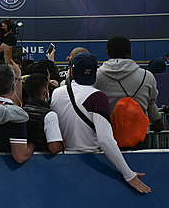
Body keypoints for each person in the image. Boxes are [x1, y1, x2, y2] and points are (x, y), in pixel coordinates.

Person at [50, 53, 151, 193]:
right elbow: (105, 140)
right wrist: (128, 175)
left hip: (66, 161)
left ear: (72, 71)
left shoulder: (56, 93)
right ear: (95, 73)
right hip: (94, 161)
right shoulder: (97, 97)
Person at [93, 36, 163, 134]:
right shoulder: (146, 76)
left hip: (108, 136)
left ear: (108, 53)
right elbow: (150, 104)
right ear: (130, 52)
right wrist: (158, 121)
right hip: (138, 135)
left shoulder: (95, 77)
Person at [0, 62, 33, 163]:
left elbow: (14, 102)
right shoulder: (16, 115)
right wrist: (32, 145)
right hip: (4, 169)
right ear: (13, 87)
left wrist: (18, 75)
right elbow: (20, 156)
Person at [22, 74, 63, 154]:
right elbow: (54, 148)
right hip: (44, 160)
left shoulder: (21, 111)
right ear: (44, 92)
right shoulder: (50, 115)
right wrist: (62, 145)